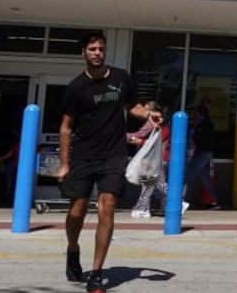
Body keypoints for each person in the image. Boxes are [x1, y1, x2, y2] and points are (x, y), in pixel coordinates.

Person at [58, 32, 162, 293]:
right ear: (84, 52)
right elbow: (65, 127)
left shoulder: (120, 78)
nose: (97, 53)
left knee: (108, 206)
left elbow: (133, 107)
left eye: (101, 49)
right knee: (77, 210)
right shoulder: (75, 87)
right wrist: (64, 164)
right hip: (83, 154)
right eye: (92, 49)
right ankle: (73, 248)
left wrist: (149, 114)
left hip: (114, 154)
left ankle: (96, 273)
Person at [127, 104, 185, 218]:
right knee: (151, 185)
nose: (147, 114)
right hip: (153, 160)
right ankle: (144, 208)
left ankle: (177, 203)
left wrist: (138, 141)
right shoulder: (155, 128)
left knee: (154, 184)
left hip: (157, 160)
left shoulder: (162, 129)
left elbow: (152, 144)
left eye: (149, 110)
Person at [184, 104, 219, 210]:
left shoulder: (205, 125)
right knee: (206, 179)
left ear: (200, 113)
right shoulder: (201, 124)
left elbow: (201, 139)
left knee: (187, 176)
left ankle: (179, 199)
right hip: (204, 153)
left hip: (202, 153)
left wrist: (193, 140)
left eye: (196, 113)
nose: (194, 115)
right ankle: (215, 202)